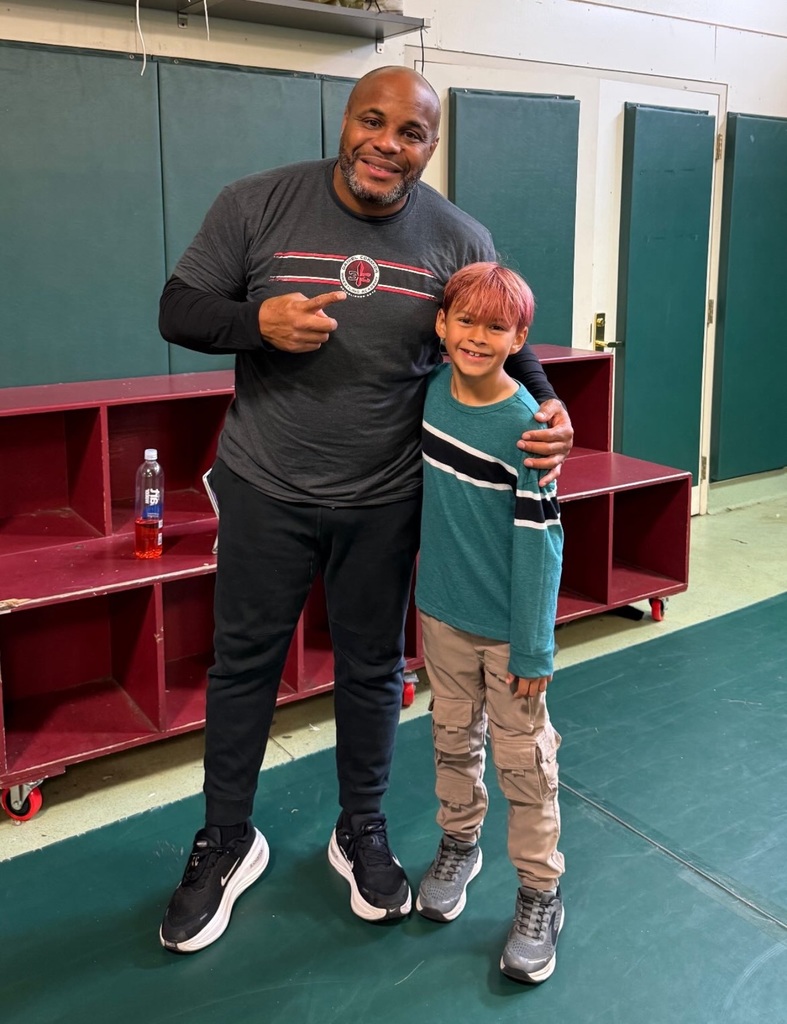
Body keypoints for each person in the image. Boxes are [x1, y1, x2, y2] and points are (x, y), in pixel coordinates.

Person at [157, 65, 573, 954]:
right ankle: (226, 838)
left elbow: (505, 337)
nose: (387, 143)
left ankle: (361, 829)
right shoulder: (256, 202)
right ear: (344, 123)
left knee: (373, 669)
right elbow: (178, 308)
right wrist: (256, 324)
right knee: (243, 667)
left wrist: (549, 406)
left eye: (410, 132)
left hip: (385, 497)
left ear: (431, 146)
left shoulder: (457, 237)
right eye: (371, 121)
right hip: (266, 486)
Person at [414, 262, 565, 985]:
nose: (477, 337)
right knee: (451, 741)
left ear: (519, 339)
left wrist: (533, 648)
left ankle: (540, 890)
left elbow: (541, 546)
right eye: (465, 321)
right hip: (440, 618)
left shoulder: (527, 431)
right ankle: (458, 844)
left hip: (508, 638)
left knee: (523, 765)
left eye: (495, 327)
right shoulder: (428, 395)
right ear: (440, 325)